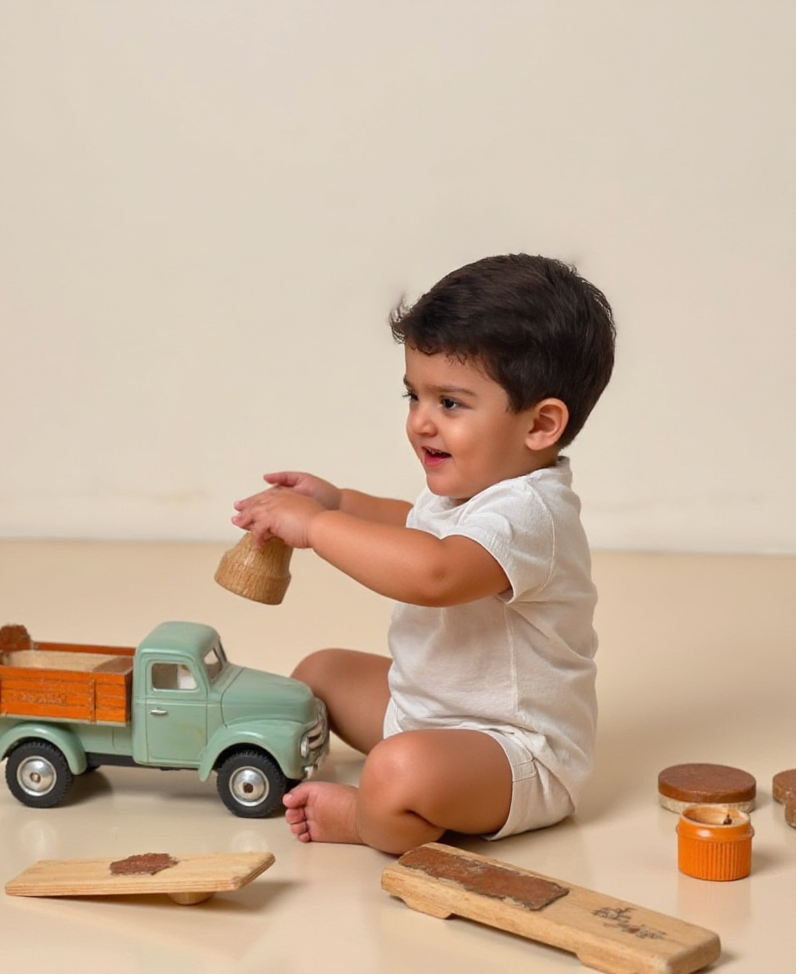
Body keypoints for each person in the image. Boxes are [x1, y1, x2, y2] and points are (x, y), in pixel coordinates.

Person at [232, 253, 615, 855]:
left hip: (515, 755)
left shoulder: (531, 512)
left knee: (395, 773)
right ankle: (404, 772)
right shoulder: (477, 483)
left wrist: (319, 527)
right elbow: (415, 527)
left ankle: (369, 817)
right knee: (318, 674)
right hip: (428, 711)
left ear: (540, 425)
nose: (420, 424)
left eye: (451, 404)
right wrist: (337, 500)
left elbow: (435, 572)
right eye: (414, 396)